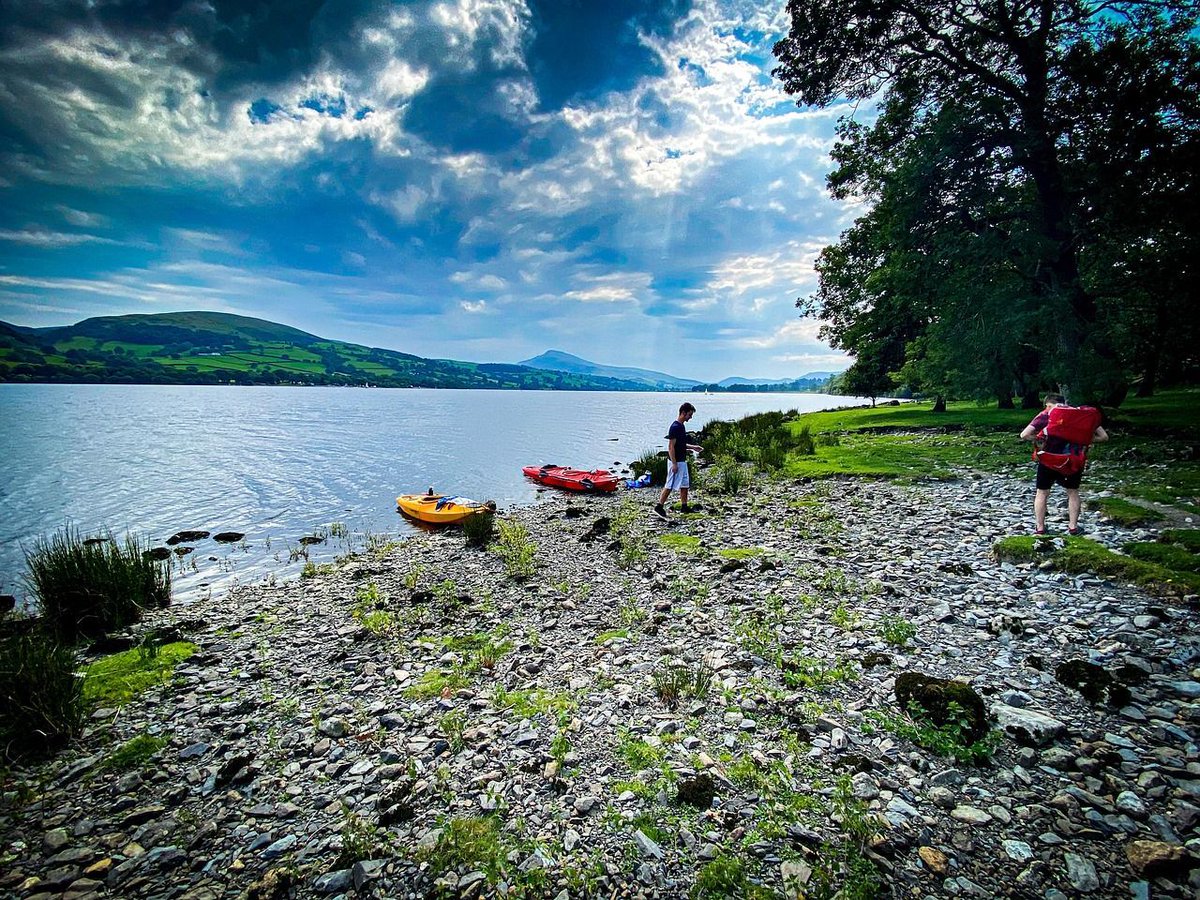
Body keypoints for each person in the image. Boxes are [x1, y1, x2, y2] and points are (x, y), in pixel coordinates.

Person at [1020, 393, 1108, 535]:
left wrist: (1040, 438)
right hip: (1073, 461)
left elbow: (1024, 435)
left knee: (1042, 492)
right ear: (1064, 402)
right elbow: (1103, 437)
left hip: (1049, 460)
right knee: (1073, 492)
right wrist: (1083, 439)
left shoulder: (1046, 414)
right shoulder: (1082, 415)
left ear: (1048, 404)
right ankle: (1073, 527)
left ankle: (1040, 528)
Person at [654, 402, 703, 520]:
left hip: (682, 460)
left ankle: (684, 506)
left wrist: (694, 447)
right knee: (670, 484)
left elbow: (681, 444)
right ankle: (659, 506)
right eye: (689, 415)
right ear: (683, 413)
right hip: (675, 461)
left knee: (685, 483)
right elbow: (671, 447)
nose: (690, 417)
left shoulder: (681, 426)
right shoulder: (675, 427)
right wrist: (674, 464)